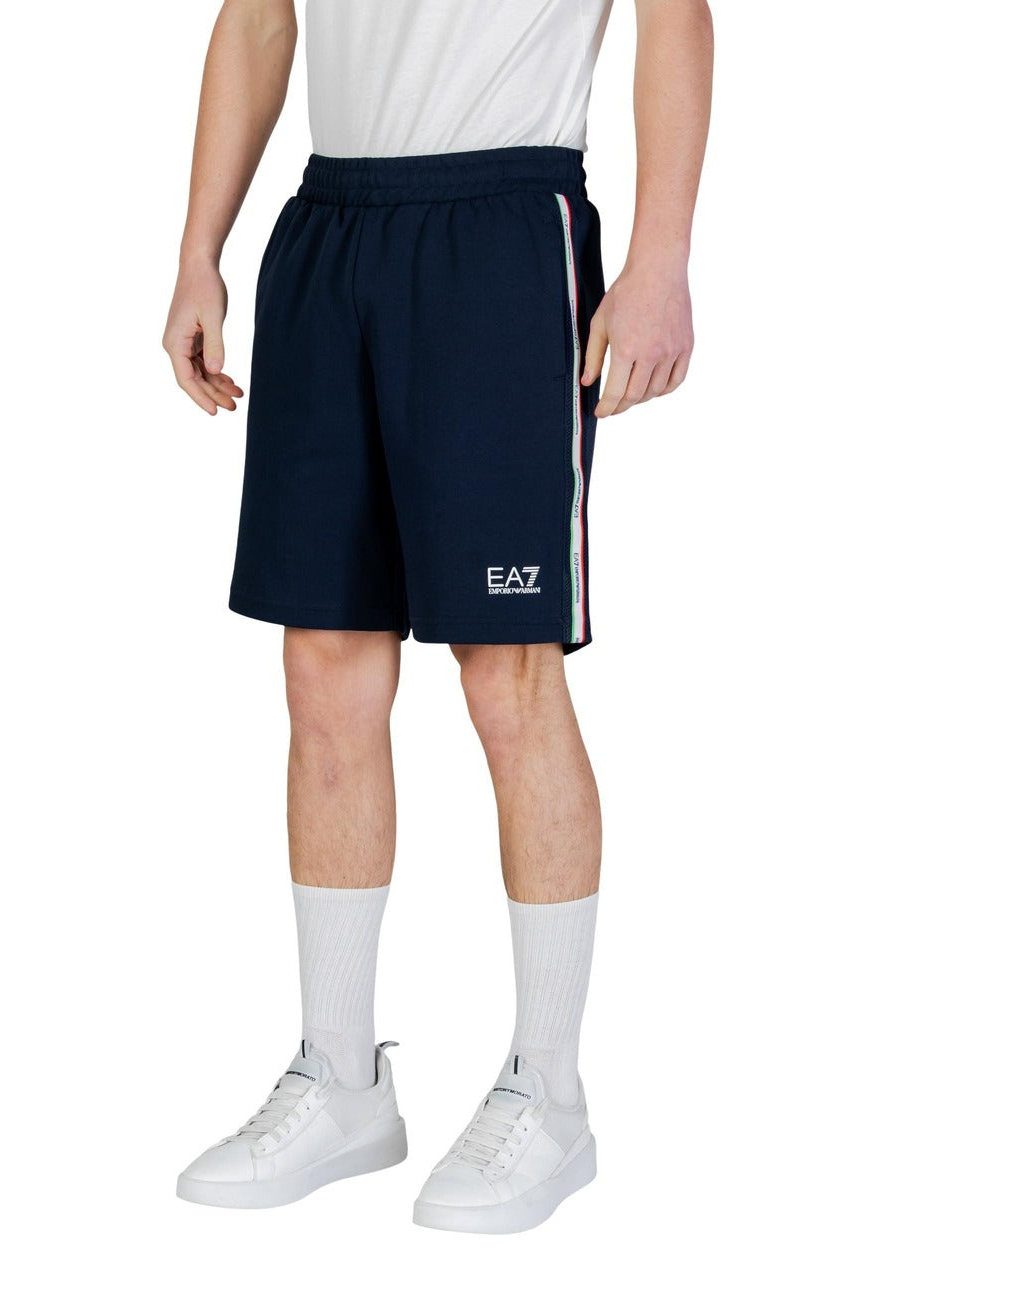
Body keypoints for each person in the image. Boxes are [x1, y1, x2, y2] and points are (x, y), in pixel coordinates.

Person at [162, 0, 712, 1234]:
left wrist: (660, 257)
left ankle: (549, 1092)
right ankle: (341, 1076)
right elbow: (257, 19)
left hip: (501, 226)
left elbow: (675, 12)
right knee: (323, 666)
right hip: (329, 228)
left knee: (506, 675)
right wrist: (200, 247)